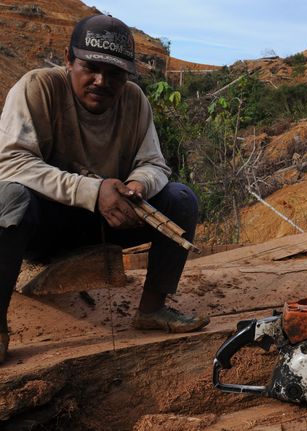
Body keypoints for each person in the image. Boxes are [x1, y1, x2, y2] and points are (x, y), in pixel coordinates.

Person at [0, 15, 209, 364]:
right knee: (10, 198)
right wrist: (92, 191)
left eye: (115, 74)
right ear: (68, 59)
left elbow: (155, 164)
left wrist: (138, 185)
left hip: (109, 222)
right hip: (42, 226)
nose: (102, 81)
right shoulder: (37, 87)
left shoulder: (134, 101)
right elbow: (11, 163)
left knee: (181, 198)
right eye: (91, 67)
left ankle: (152, 309)